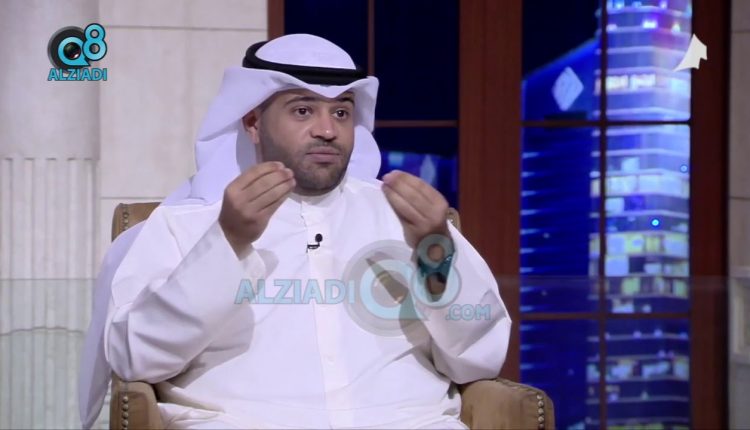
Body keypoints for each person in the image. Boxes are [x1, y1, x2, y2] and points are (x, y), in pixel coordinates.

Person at [80, 34, 511, 429]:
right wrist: (227, 241)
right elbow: (136, 359)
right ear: (252, 122)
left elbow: (480, 357)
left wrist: (435, 252)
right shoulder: (186, 224)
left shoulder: (406, 216)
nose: (327, 130)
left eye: (341, 112)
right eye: (303, 110)